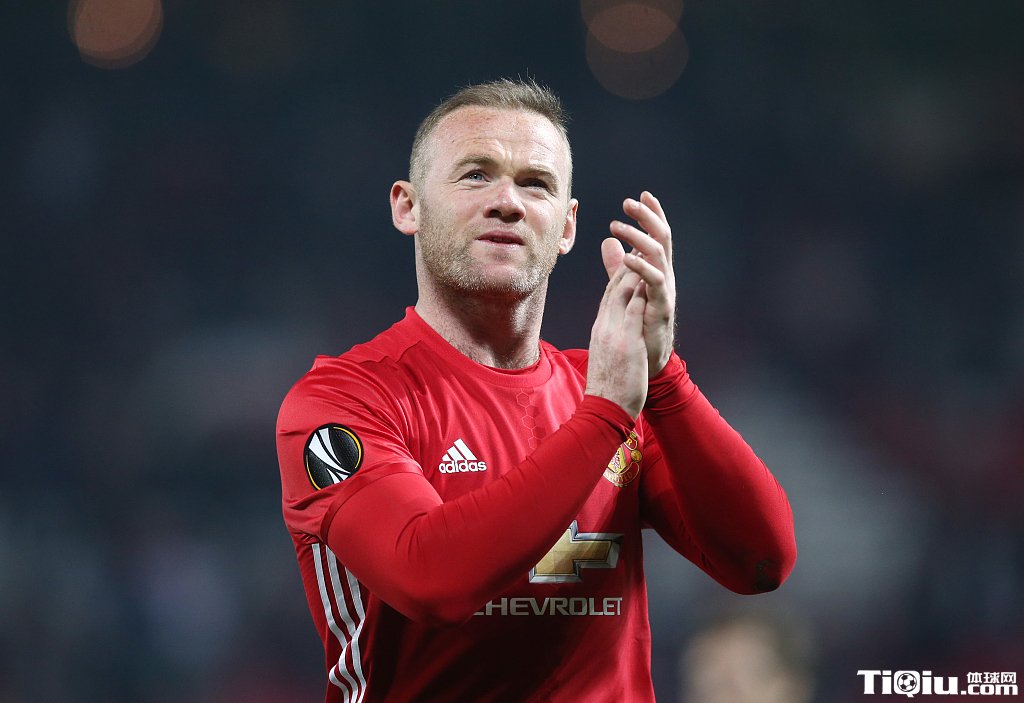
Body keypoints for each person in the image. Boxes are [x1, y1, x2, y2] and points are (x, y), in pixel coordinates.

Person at [276, 78, 797, 703]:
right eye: (476, 175)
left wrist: (665, 377)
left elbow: (761, 560)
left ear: (567, 226)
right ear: (408, 207)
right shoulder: (342, 401)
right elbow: (431, 580)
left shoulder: (614, 392)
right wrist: (605, 416)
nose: (508, 203)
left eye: (535, 183)